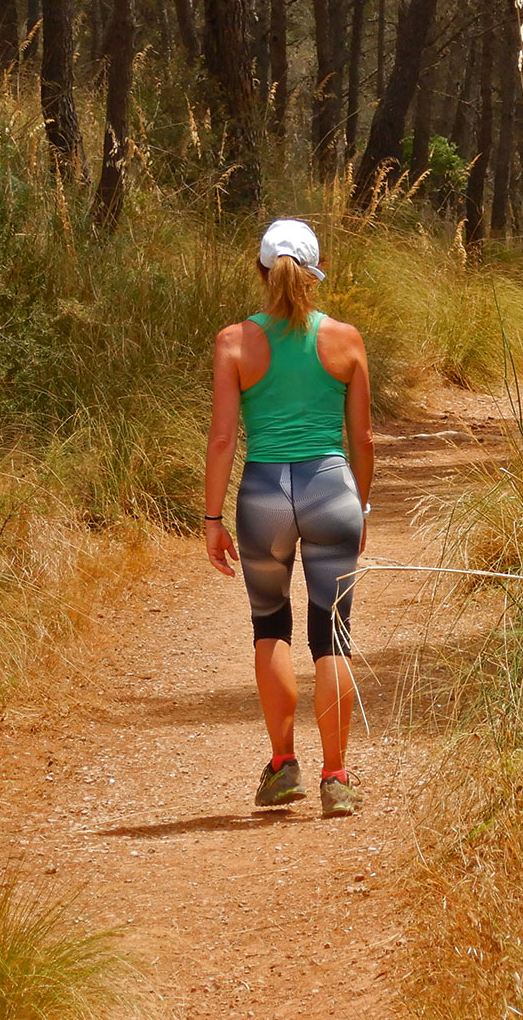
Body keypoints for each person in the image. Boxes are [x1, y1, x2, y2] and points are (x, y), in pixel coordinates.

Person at [203, 219, 373, 819]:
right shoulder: (346, 341)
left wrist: (211, 516)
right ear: (315, 274)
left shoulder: (233, 343)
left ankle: (282, 768)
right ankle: (337, 777)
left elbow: (224, 438)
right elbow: (363, 439)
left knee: (269, 626)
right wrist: (363, 502)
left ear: (260, 270)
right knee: (333, 633)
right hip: (332, 490)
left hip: (263, 493)